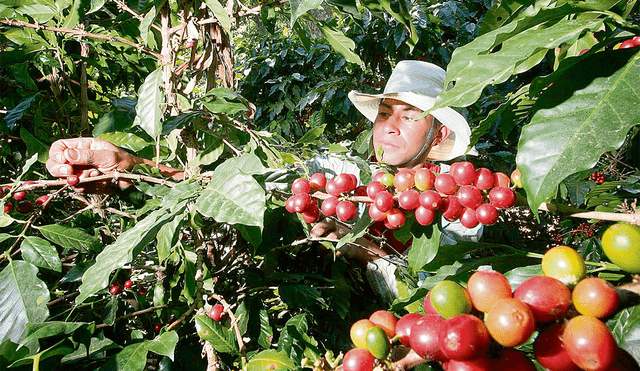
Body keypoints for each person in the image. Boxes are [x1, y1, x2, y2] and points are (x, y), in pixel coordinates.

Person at [46, 60, 479, 301]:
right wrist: (133, 165)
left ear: (440, 134)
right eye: (385, 113)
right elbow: (252, 186)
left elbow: (445, 293)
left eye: (409, 116)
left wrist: (361, 246)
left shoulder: (463, 198)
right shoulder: (343, 176)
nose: (389, 126)